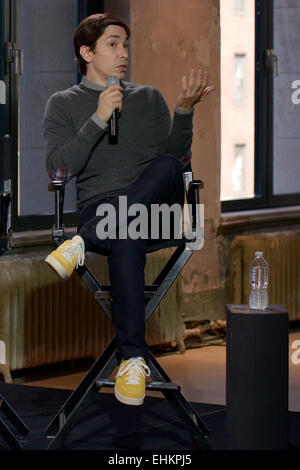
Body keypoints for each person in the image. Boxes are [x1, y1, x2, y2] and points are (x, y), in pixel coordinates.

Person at [43, 13, 214, 406]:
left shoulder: (149, 97)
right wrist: (99, 117)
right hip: (104, 213)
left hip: (155, 212)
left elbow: (177, 164)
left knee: (167, 168)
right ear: (86, 52)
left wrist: (184, 111)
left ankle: (80, 244)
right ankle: (133, 360)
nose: (123, 53)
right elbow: (59, 169)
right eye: (112, 44)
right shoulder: (63, 105)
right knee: (125, 231)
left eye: (125, 44)